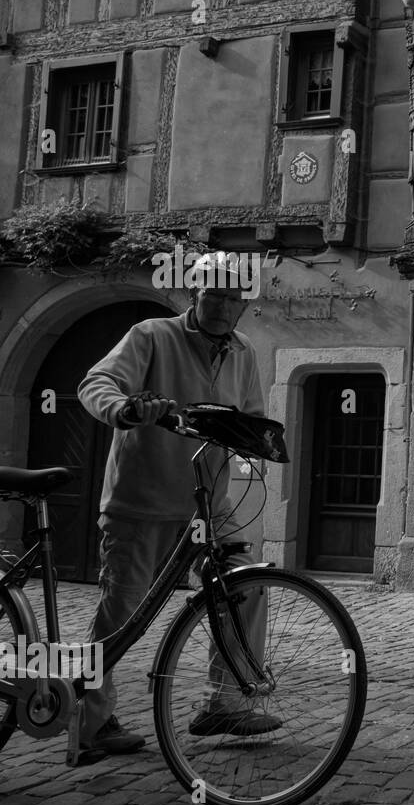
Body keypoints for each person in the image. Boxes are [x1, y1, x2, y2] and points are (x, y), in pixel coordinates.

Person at [75, 270, 278, 765]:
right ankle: (91, 720)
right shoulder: (151, 335)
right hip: (141, 502)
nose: (223, 305)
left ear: (243, 306)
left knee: (246, 585)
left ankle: (224, 704)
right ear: (194, 295)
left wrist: (257, 438)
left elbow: (248, 416)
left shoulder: (245, 351)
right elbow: (95, 382)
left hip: (209, 502)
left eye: (233, 298)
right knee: (122, 614)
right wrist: (125, 409)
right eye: (214, 295)